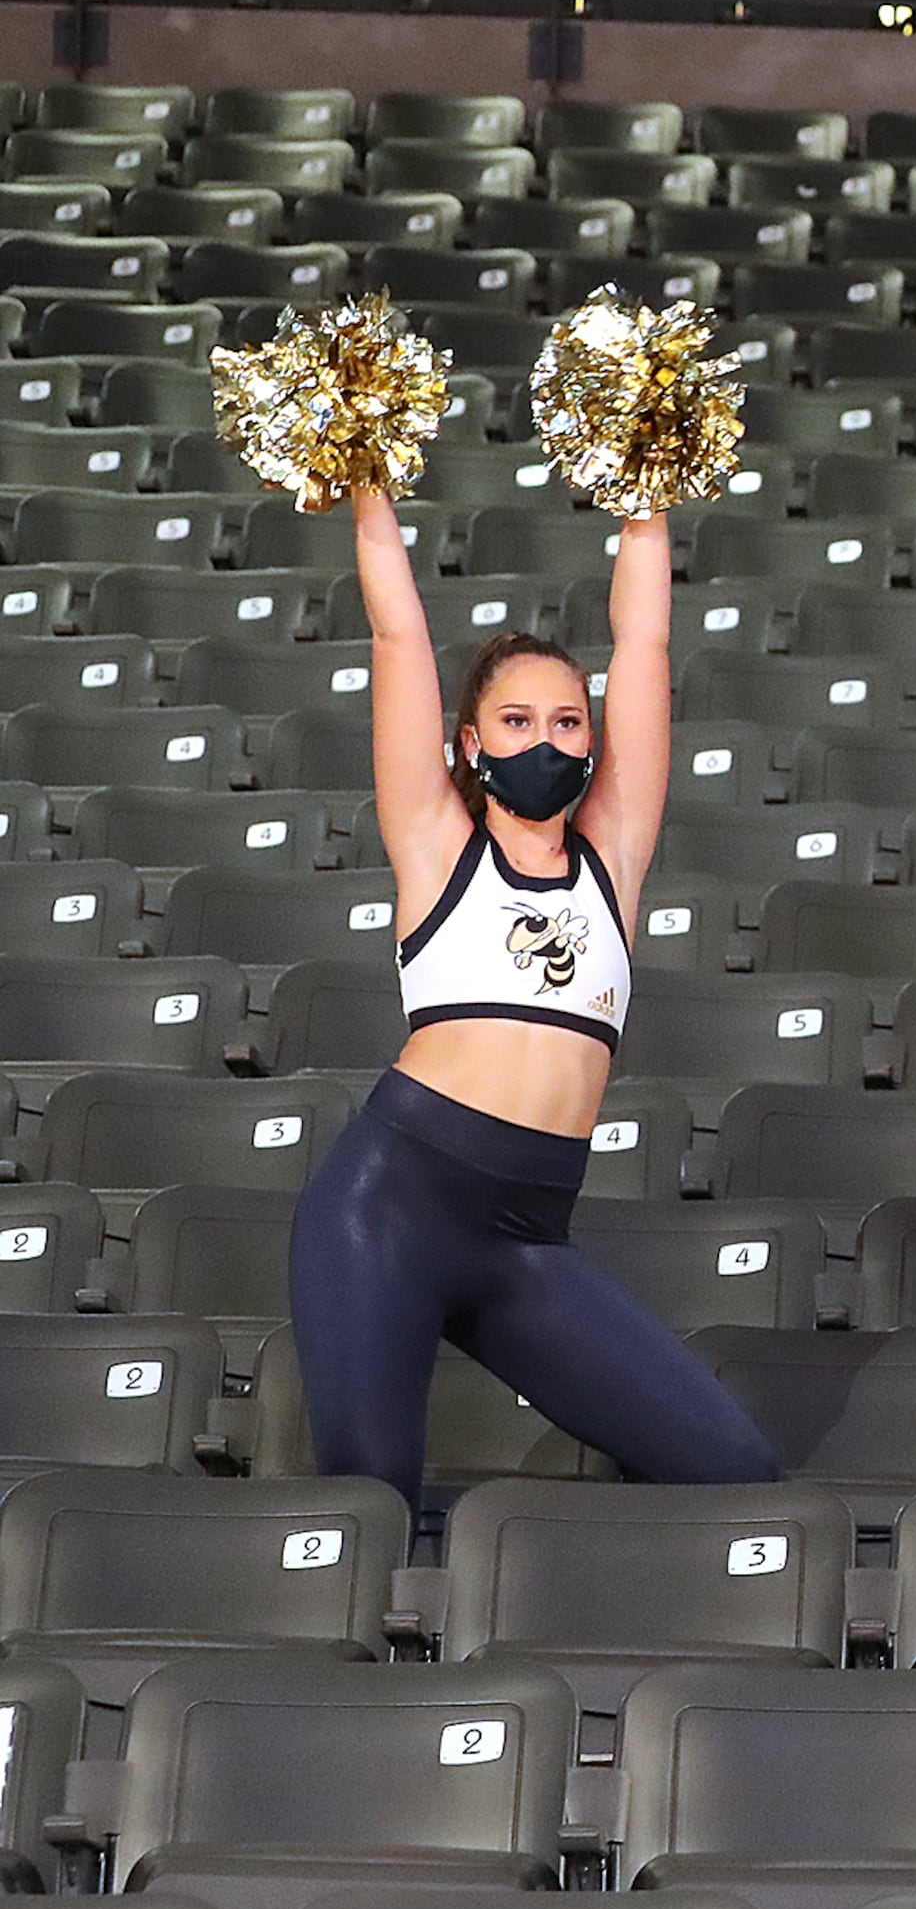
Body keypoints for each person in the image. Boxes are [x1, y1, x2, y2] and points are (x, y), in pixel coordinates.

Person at [286, 482, 780, 1504]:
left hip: (526, 1235)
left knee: (729, 1469)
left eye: (567, 720)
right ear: (471, 746)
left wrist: (647, 494)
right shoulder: (435, 843)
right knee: (369, 1504)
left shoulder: (616, 858)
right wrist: (369, 488)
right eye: (515, 721)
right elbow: (396, 635)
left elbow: (642, 647)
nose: (546, 739)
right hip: (389, 1206)